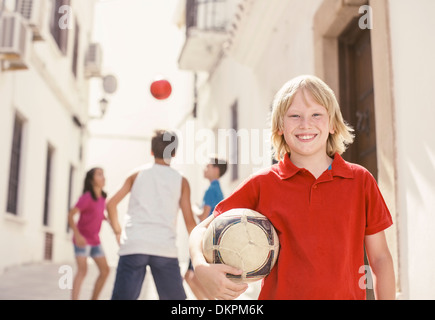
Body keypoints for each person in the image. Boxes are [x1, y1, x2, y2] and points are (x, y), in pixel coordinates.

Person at [189, 75, 396, 300]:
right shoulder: (263, 183)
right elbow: (200, 230)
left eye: (316, 114)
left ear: (333, 124)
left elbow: (380, 259)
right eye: (295, 116)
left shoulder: (360, 180)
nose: (305, 124)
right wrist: (201, 267)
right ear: (280, 126)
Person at [107, 129, 197, 300]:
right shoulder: (181, 181)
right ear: (174, 152)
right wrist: (200, 253)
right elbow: (190, 222)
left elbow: (110, 204)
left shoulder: (136, 175)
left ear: (151, 151)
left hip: (134, 244)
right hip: (164, 248)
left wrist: (118, 232)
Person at [184, 157, 227, 299]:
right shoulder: (218, 189)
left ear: (216, 170)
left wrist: (193, 208)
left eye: (207, 166)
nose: (204, 169)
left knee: (191, 277)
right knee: (192, 277)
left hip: (204, 240)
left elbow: (203, 217)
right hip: (213, 240)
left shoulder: (210, 190)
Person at [68, 167, 110, 300]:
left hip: (95, 240)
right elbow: (70, 215)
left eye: (103, 174)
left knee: (105, 271)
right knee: (82, 271)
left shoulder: (103, 198)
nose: (103, 177)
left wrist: (105, 218)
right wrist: (77, 235)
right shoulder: (86, 198)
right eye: (99, 174)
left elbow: (96, 213)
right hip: (82, 240)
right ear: (91, 180)